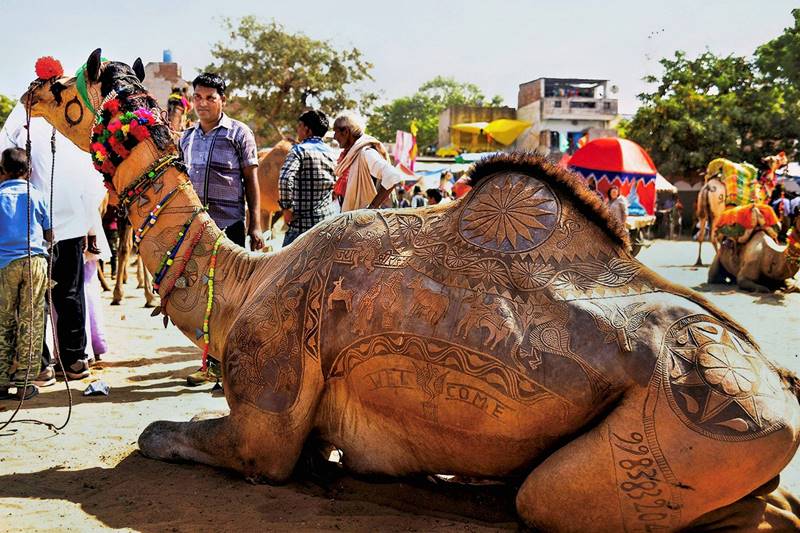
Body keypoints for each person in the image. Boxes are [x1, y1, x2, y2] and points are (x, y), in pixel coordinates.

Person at [0, 102, 102, 382]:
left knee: (34, 304)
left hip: (31, 235)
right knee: (69, 295)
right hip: (65, 226)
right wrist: (91, 228)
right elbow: (92, 185)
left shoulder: (19, 127)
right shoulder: (75, 127)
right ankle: (74, 361)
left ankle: (41, 366)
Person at [180, 73, 263, 251]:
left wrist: (255, 225)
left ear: (223, 100)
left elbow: (251, 180)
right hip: (193, 227)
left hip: (229, 227)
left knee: (231, 278)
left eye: (210, 98)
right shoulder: (187, 137)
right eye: (198, 97)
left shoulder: (239, 133)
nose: (202, 103)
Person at [0, 148, 51, 400]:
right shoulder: (36, 195)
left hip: (3, 266)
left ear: (2, 172)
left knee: (3, 320)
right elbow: (49, 232)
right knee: (31, 322)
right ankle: (24, 383)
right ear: (29, 171)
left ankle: (0, 380)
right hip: (34, 263)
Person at [278, 110, 338, 247]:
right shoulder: (332, 154)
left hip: (301, 227)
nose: (297, 130)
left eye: (299, 126)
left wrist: (286, 208)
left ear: (307, 129)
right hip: (325, 225)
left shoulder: (299, 150)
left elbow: (285, 179)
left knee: (285, 266)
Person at [332, 112, 407, 211]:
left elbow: (392, 176)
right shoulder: (352, 154)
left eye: (335, 132)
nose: (334, 137)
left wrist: (371, 208)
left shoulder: (366, 153)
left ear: (345, 131)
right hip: (352, 219)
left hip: (363, 222)